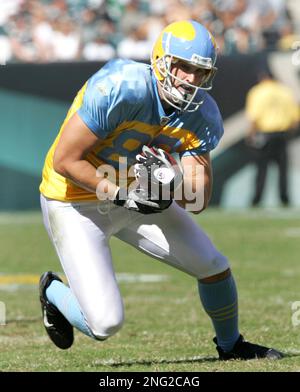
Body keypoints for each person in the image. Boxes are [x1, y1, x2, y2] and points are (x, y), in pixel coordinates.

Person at [39, 20, 283, 360]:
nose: (191, 80)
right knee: (105, 324)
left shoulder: (201, 114)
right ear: (161, 61)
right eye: (183, 67)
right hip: (74, 199)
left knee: (212, 264)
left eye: (200, 72)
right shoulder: (120, 87)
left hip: (137, 197)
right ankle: (52, 291)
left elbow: (198, 197)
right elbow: (65, 159)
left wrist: (172, 180)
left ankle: (231, 346)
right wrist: (121, 193)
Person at [245, 70, 299, 207]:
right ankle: (284, 199)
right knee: (283, 171)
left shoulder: (257, 91)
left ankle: (257, 199)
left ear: (262, 77)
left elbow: (254, 117)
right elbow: (295, 119)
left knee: (261, 170)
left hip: (264, 135)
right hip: (282, 135)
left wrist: (251, 134)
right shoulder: (285, 91)